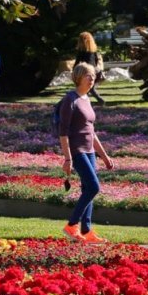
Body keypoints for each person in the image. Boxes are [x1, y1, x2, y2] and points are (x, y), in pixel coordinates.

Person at [58, 63, 114, 243]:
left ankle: (87, 230)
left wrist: (104, 156)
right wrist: (68, 158)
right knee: (93, 187)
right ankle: (72, 225)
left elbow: (91, 131)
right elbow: (63, 132)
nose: (92, 79)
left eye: (93, 76)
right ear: (79, 77)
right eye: (88, 76)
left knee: (87, 188)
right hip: (77, 151)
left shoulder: (87, 99)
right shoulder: (70, 99)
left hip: (90, 151)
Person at [74, 32, 105, 106]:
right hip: (95, 71)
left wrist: (74, 70)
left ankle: (101, 100)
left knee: (88, 88)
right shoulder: (93, 51)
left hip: (87, 72)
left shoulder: (81, 52)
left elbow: (77, 62)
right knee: (87, 88)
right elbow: (97, 60)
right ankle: (82, 102)